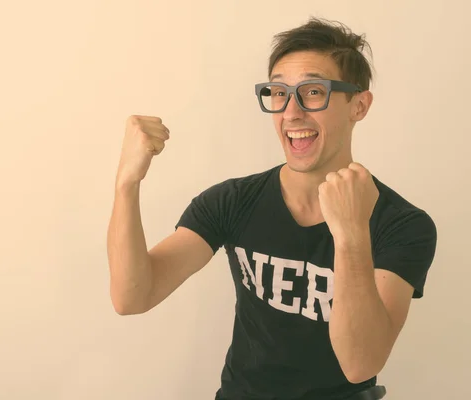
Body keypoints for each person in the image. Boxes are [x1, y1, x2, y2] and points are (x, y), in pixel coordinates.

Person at [107, 17, 437, 400]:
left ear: (358, 105)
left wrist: (350, 235)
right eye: (279, 92)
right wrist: (126, 184)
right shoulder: (232, 201)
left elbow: (361, 363)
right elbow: (132, 297)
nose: (291, 112)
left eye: (314, 92)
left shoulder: (403, 225)